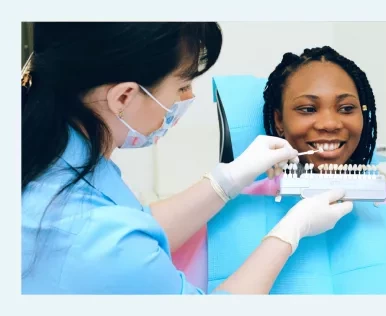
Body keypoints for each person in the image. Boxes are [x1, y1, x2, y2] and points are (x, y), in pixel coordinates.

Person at [21, 22, 354, 295]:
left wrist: (228, 180)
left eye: (347, 107)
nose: (189, 97)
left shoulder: (54, 156)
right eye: (182, 86)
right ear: (124, 95)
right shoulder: (93, 236)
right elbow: (117, 247)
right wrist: (289, 233)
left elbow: (138, 226)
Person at [171, 46, 386, 294]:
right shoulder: (226, 215)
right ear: (278, 120)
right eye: (308, 109)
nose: (330, 123)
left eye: (346, 108)